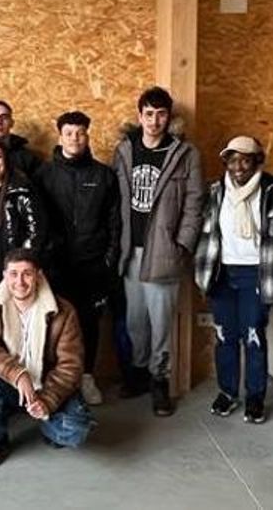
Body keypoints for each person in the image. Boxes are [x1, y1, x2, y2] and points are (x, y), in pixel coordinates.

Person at [112, 86, 203, 416]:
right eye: (148, 114)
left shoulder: (184, 153)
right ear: (140, 117)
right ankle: (137, 375)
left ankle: (160, 382)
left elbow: (195, 203)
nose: (154, 121)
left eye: (161, 114)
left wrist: (183, 244)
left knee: (162, 324)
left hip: (164, 252)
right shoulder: (124, 151)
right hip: (129, 252)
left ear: (169, 117)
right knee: (136, 322)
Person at [194, 136, 273, 424]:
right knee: (225, 335)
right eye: (233, 159)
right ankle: (227, 392)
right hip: (223, 272)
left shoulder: (272, 189)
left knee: (253, 336)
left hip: (257, 272)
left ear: (256, 160)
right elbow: (208, 233)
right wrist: (203, 275)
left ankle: (255, 397)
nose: (238, 166)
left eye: (245, 159)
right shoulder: (216, 190)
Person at [0, 249, 93, 469]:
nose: (20, 281)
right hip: (8, 384)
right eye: (13, 274)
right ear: (5, 276)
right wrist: (17, 374)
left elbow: (70, 365)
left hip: (45, 386)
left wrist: (48, 400)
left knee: (76, 432)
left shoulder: (63, 311)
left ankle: (43, 421)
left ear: (39, 275)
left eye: (27, 273)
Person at [33, 111, 121, 406]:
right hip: (55, 267)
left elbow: (114, 223)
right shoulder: (43, 175)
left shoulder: (103, 176)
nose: (75, 138)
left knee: (89, 324)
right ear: (60, 137)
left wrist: (109, 259)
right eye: (69, 133)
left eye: (80, 133)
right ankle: (54, 381)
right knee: (52, 324)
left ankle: (85, 378)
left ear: (87, 136)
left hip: (92, 265)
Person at [0, 137, 47, 295]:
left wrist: (19, 270)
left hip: (14, 273)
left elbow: (36, 235)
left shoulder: (22, 191)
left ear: (6, 159)